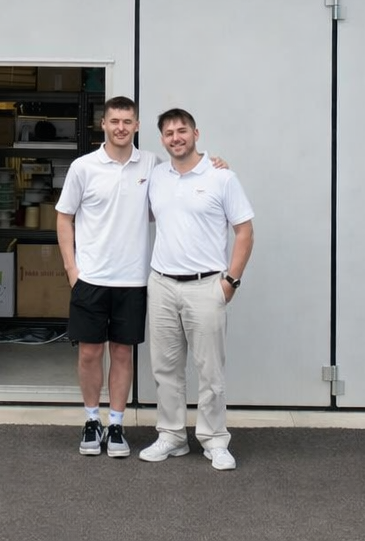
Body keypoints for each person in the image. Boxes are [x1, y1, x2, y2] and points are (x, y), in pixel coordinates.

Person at [55, 97, 227, 458]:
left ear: (136, 126)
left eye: (127, 121)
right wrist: (73, 270)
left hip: (133, 281)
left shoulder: (153, 165)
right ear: (103, 124)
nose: (120, 127)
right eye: (114, 121)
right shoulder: (83, 167)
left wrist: (215, 166)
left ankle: (115, 424)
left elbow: (187, 173)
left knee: (121, 353)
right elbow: (64, 217)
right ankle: (91, 420)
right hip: (91, 279)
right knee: (89, 353)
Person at [138, 107, 255, 471]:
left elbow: (245, 231)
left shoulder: (222, 177)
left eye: (182, 130)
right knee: (166, 368)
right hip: (161, 285)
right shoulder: (156, 177)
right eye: (169, 132)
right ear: (162, 140)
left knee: (210, 371)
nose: (176, 137)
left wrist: (230, 282)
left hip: (207, 286)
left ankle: (214, 440)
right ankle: (172, 437)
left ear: (196, 133)